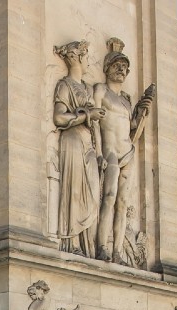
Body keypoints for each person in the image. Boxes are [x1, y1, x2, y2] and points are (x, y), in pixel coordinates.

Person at [93, 37, 154, 262]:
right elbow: (94, 124)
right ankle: (102, 247)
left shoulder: (127, 102)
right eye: (117, 66)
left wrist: (143, 112)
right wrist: (98, 153)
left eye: (125, 68)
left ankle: (117, 251)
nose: (121, 70)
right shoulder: (100, 90)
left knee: (122, 203)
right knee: (108, 198)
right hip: (109, 152)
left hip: (128, 152)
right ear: (107, 68)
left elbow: (133, 130)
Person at [52, 39, 102, 258]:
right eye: (85, 56)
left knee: (92, 193)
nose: (88, 60)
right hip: (71, 140)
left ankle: (88, 245)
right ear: (78, 58)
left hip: (88, 143)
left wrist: (100, 153)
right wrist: (85, 115)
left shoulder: (88, 89)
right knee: (73, 190)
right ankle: (72, 242)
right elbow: (59, 117)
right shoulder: (64, 85)